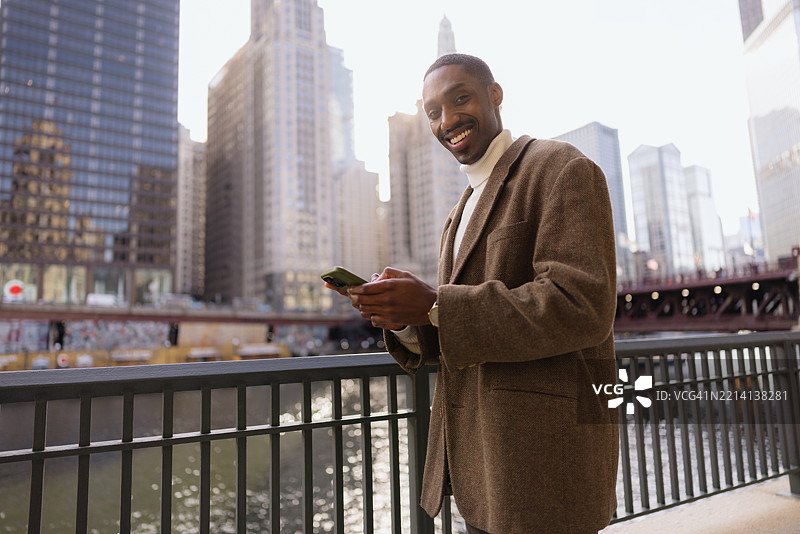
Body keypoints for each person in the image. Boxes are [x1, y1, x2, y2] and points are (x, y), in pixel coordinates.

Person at [329, 53, 619, 534]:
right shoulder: (457, 214)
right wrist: (404, 317)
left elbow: (581, 306)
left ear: (495, 95)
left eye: (460, 99)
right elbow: (456, 338)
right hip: (483, 472)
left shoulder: (561, 167)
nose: (447, 121)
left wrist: (435, 303)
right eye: (433, 113)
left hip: (547, 469)